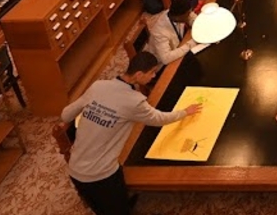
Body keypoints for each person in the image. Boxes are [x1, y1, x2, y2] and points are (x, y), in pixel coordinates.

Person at [62, 52, 202, 215]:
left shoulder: (98, 86)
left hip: (75, 169)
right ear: (139, 74)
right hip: (101, 175)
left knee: (101, 209)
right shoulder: (134, 101)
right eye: (152, 73)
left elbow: (66, 115)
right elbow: (159, 119)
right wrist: (185, 112)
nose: (153, 76)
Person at [145, 0, 198, 65]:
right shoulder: (159, 33)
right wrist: (193, 42)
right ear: (178, 17)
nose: (190, 14)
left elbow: (192, 18)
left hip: (179, 47)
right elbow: (166, 58)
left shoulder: (178, 14)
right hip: (162, 65)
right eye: (188, 13)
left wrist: (199, 25)